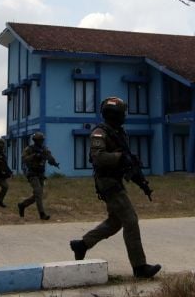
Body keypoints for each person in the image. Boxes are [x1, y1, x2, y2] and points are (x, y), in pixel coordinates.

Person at [69, 97, 161, 279]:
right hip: (107, 182)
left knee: (115, 222)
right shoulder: (99, 133)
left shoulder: (119, 133)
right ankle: (140, 267)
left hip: (115, 181)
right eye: (122, 114)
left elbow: (126, 162)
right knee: (131, 220)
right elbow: (98, 157)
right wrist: (120, 158)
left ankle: (82, 244)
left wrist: (141, 182)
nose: (124, 117)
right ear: (113, 115)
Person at [18, 132, 59, 220]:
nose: (41, 142)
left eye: (42, 140)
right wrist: (34, 156)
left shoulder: (44, 149)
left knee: (37, 195)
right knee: (38, 192)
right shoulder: (29, 149)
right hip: (32, 173)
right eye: (39, 140)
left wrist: (54, 162)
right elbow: (24, 159)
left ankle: (22, 205)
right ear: (35, 140)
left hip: (41, 174)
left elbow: (50, 157)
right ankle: (42, 214)